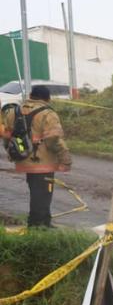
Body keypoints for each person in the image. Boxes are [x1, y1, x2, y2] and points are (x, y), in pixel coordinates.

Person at [0, 85, 72, 227]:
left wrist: (12, 151)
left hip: (23, 158)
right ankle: (38, 225)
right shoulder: (48, 113)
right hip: (42, 161)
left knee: (36, 190)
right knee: (43, 193)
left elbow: (7, 136)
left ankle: (44, 222)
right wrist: (65, 158)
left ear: (31, 95)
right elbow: (54, 139)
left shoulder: (15, 111)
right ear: (47, 98)